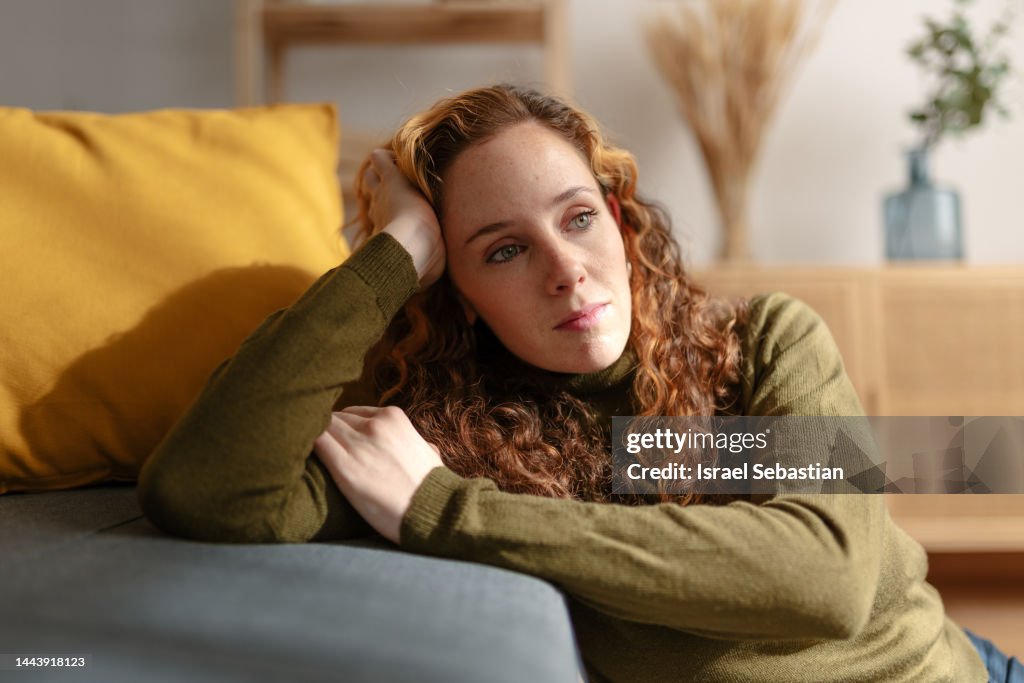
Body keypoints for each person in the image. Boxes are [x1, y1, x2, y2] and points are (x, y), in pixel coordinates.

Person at [138, 84, 1014, 682]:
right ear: (459, 294)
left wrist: (450, 511)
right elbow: (210, 490)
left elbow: (827, 579)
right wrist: (393, 256)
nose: (566, 271)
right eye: (503, 250)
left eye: (579, 217)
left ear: (623, 225)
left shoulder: (760, 346)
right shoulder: (442, 436)